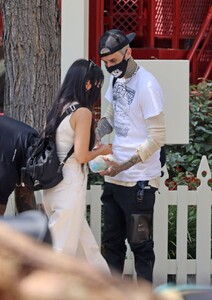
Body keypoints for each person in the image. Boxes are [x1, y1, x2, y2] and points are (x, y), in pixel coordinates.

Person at [95, 29, 166, 282]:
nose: (109, 67)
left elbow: (157, 137)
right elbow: (112, 118)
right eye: (106, 63)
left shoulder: (147, 85)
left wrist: (124, 166)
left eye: (113, 61)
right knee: (111, 244)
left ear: (128, 52)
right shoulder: (116, 81)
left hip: (140, 183)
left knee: (141, 245)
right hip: (114, 180)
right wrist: (97, 134)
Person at [42, 59, 112, 275]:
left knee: (87, 250)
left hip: (52, 185)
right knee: (60, 253)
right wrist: (103, 150)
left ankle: (105, 290)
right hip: (70, 185)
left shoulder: (58, 108)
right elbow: (81, 156)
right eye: (97, 85)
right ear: (88, 84)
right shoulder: (82, 113)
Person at [0, 115, 38, 215]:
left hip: (13, 148)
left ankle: (30, 228)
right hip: (29, 140)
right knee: (25, 189)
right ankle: (31, 228)